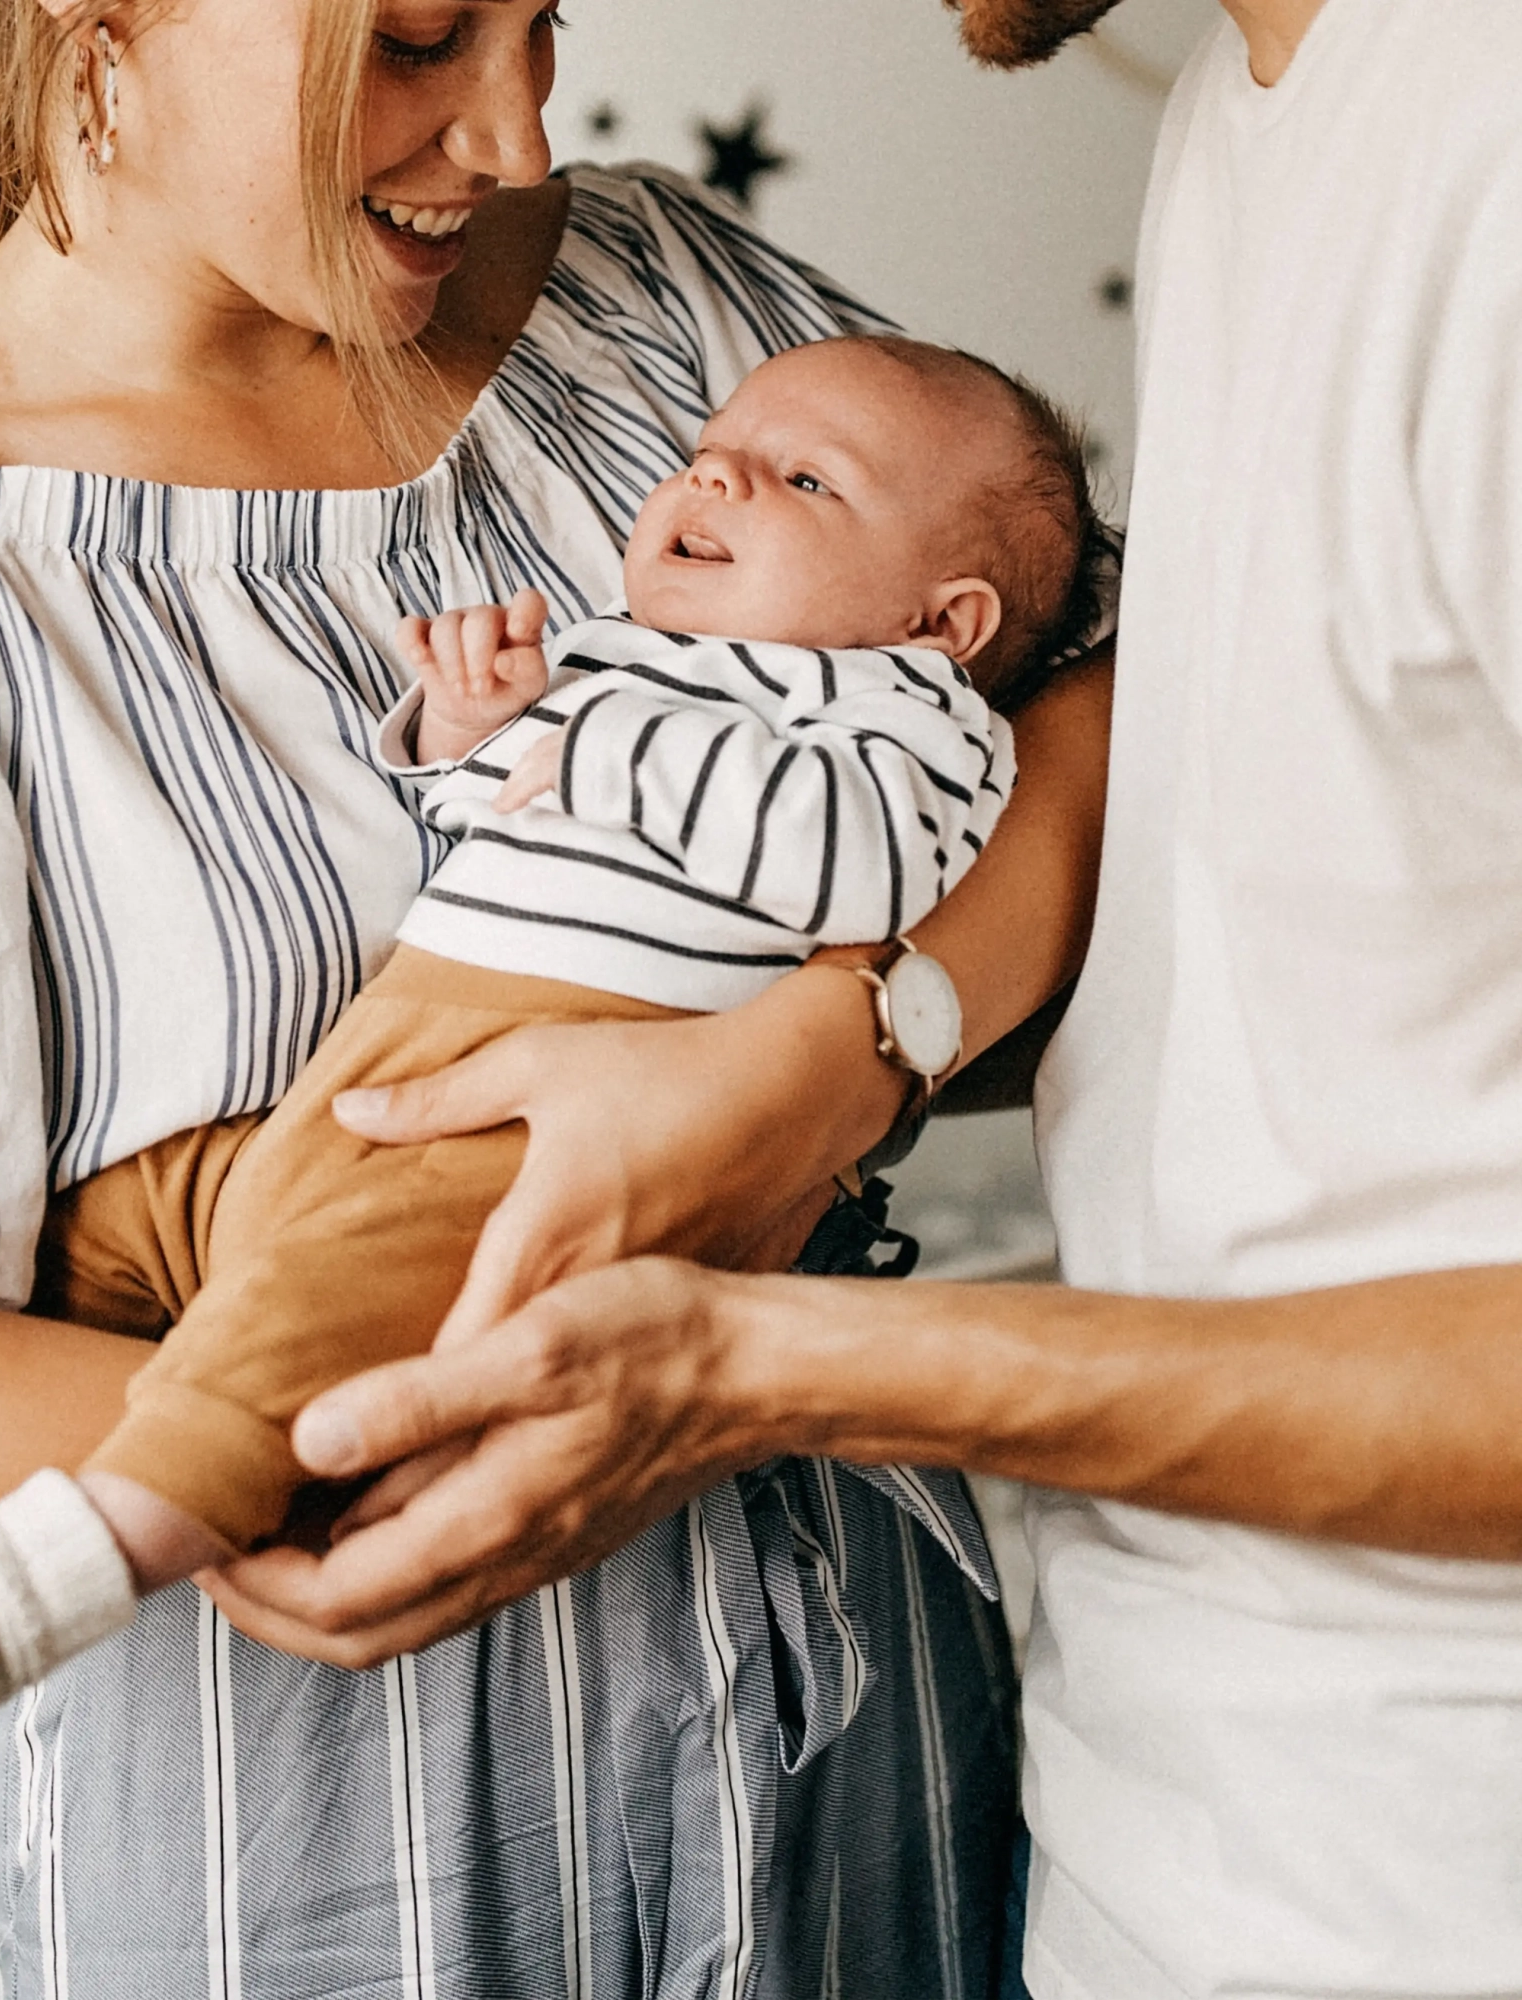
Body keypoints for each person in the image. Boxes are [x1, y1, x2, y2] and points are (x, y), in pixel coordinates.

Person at [0, 2, 1117, 1993]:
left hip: (857, 1747)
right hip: (314, 1873)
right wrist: (515, 1407)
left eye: (544, 21)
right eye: (424, 34)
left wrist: (848, 1051)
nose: (521, 131)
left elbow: (1092, 690)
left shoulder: (658, 304)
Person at [220, 2, 1522, 1996]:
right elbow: (1163, 741)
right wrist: (848, 1044)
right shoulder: (1242, 129)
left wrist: (765, 1357)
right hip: (1154, 1838)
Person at [0, 332, 1097, 1738]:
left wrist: (599, 739)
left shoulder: (911, 722)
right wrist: (469, 725)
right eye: (708, 453)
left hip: (530, 1130)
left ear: (947, 621)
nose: (718, 478)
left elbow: (840, 869)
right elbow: (487, 817)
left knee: (292, 1330)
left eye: (801, 478)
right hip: (380, 1077)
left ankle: (12, 1606)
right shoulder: (620, 657)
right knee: (111, 1220)